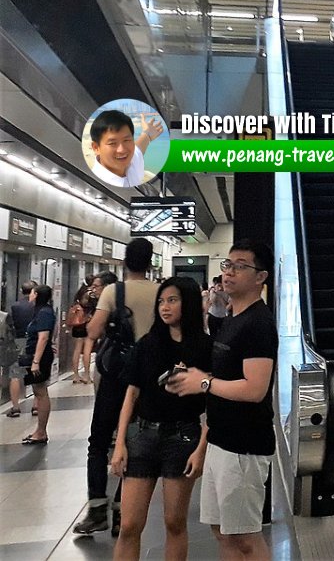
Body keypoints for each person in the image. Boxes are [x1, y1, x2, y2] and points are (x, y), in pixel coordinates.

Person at [168, 239, 277, 561]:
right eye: (227, 265)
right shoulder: (232, 318)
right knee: (221, 531)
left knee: (245, 537)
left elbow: (254, 389)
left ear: (261, 277)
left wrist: (202, 382)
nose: (229, 272)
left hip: (244, 446)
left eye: (240, 266)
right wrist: (204, 446)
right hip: (221, 441)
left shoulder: (258, 323)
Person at [110, 278, 212, 561]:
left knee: (174, 523)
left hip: (183, 438)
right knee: (129, 525)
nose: (165, 307)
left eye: (172, 300)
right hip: (143, 436)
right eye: (161, 301)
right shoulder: (147, 345)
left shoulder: (205, 347)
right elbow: (131, 395)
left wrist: (201, 448)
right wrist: (120, 444)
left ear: (188, 304)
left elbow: (213, 404)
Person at [76, 238, 160, 537]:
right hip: (147, 378)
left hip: (115, 377)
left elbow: (94, 331)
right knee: (135, 443)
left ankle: (97, 509)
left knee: (99, 442)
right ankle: (123, 512)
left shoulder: (114, 291)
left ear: (125, 262)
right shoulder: (160, 292)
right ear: (151, 262)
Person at [89, 108, 164, 188]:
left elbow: (138, 149)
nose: (122, 150)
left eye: (126, 140)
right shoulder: (96, 184)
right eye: (112, 143)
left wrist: (147, 133)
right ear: (96, 148)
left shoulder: (131, 162)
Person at [21, 284, 56, 445]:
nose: (30, 295)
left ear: (36, 295)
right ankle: (39, 430)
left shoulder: (44, 312)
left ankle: (41, 431)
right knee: (38, 391)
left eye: (32, 293)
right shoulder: (43, 311)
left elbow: (43, 337)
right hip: (38, 355)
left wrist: (36, 361)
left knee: (41, 392)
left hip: (39, 357)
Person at [5, 280, 37, 418]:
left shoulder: (14, 307)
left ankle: (15, 407)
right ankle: (36, 406)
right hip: (35, 342)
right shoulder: (39, 306)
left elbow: (9, 326)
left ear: (21, 291)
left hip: (19, 342)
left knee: (15, 375)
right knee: (37, 375)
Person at [68, 277, 102, 383]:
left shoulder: (80, 292)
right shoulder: (91, 294)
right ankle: (86, 375)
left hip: (77, 324)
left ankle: (75, 375)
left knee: (77, 350)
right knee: (87, 349)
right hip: (88, 323)